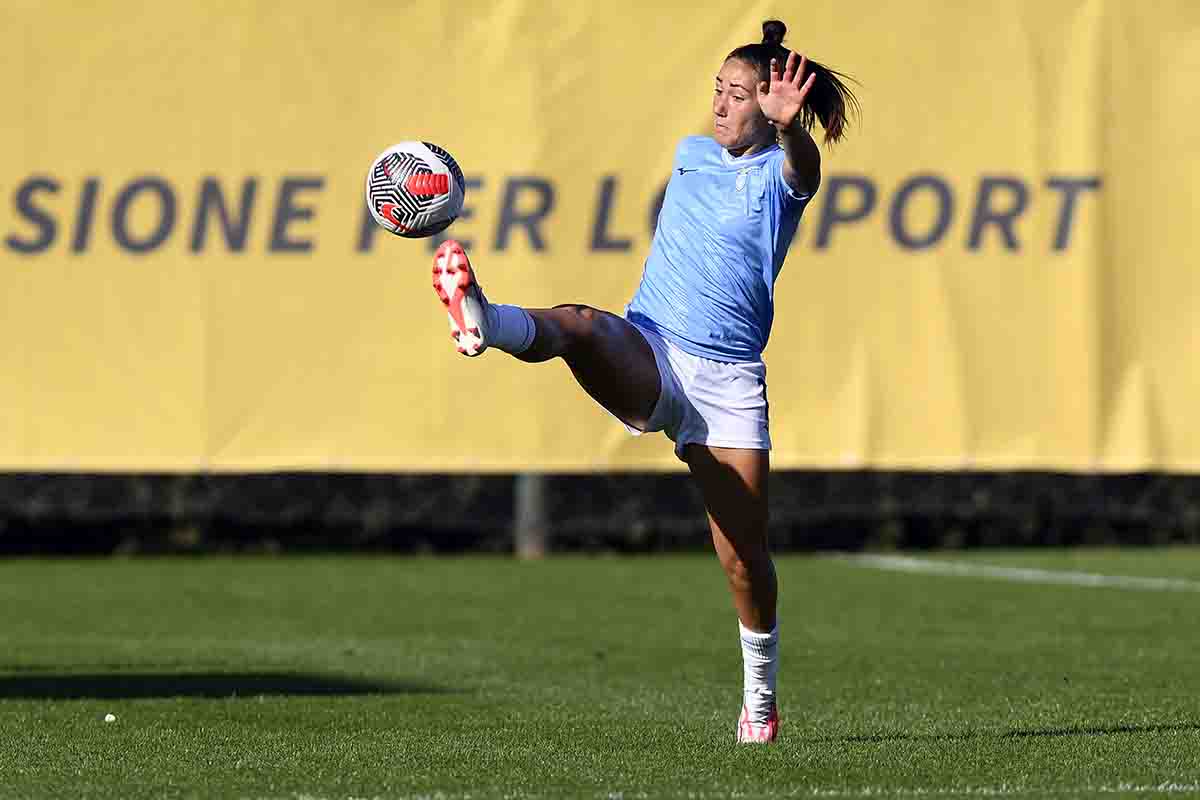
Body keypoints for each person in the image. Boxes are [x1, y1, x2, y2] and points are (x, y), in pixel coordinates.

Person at [431, 19, 857, 743]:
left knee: (744, 560)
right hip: (653, 347)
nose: (720, 106)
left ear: (773, 106)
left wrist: (792, 131)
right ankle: (483, 319)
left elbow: (804, 168)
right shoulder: (692, 155)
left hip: (726, 383)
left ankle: (761, 698)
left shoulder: (782, 176)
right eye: (717, 91)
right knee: (581, 326)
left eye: (739, 96)